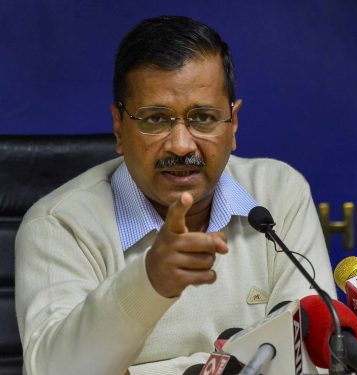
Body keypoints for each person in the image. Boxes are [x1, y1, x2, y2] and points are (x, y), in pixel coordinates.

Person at [15, 16, 336, 374]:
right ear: (119, 128)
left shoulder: (277, 194)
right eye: (155, 119)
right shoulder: (59, 225)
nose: (182, 146)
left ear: (233, 124)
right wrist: (150, 282)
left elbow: (310, 360)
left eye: (202, 118)